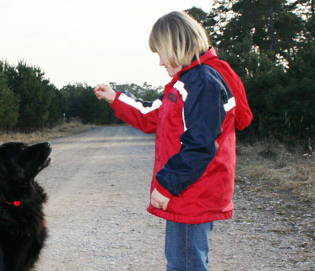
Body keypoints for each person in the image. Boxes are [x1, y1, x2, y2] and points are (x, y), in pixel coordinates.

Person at [93, 11, 253, 271]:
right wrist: (116, 98)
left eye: (161, 53)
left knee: (185, 265)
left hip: (192, 191)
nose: (159, 62)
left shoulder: (201, 83)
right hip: (189, 191)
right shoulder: (187, 82)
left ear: (179, 45)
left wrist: (167, 186)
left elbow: (200, 146)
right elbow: (151, 116)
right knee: (185, 262)